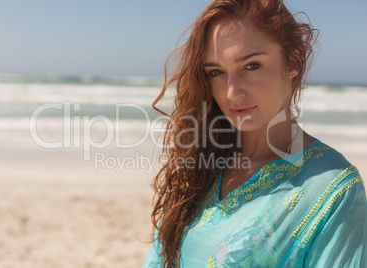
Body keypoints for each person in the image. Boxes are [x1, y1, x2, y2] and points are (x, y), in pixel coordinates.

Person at [143, 0, 367, 267]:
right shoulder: (198, 165)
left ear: (293, 61)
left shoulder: (335, 191)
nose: (231, 92)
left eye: (251, 65)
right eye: (216, 72)